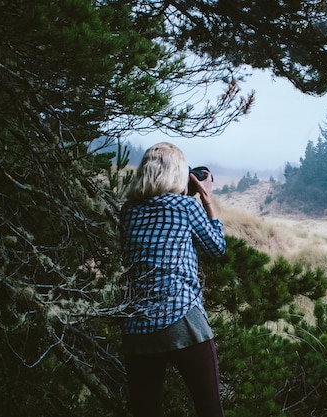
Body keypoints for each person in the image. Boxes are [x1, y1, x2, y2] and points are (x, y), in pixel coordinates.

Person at [118, 142, 227, 417]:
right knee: (209, 410)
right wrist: (206, 199)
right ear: (178, 174)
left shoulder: (128, 211)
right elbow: (217, 248)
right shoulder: (184, 206)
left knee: (147, 411)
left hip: (137, 327)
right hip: (181, 317)